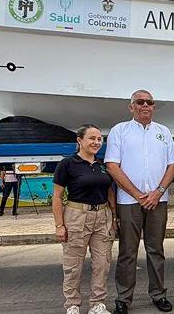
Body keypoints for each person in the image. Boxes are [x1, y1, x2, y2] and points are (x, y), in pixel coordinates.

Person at [106, 90, 174, 314]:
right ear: (131, 107)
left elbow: (172, 165)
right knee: (127, 251)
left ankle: (158, 294)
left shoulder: (163, 132)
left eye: (149, 102)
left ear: (153, 106)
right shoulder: (119, 131)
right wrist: (138, 194)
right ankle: (123, 298)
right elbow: (112, 166)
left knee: (156, 250)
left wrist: (158, 192)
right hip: (129, 202)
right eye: (140, 102)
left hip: (158, 201)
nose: (145, 105)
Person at [52, 124, 116, 314]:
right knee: (73, 265)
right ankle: (72, 305)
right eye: (92, 138)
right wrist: (59, 225)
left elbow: (109, 191)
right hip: (77, 216)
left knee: (102, 263)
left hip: (102, 216)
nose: (96, 142)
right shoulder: (67, 164)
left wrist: (114, 216)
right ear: (80, 140)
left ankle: (97, 304)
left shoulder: (102, 164)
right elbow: (57, 196)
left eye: (99, 139)